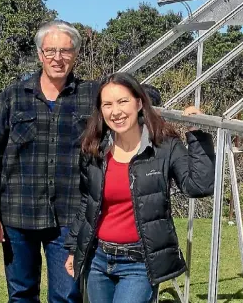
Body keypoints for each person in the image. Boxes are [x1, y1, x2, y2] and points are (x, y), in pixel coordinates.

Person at [63, 72, 216, 303]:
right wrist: (74, 247)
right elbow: (87, 202)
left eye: (123, 101)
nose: (116, 112)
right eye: (107, 104)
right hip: (98, 259)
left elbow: (199, 186)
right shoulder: (94, 148)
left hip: (139, 262)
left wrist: (198, 135)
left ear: (139, 102)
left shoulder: (163, 147)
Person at [0, 20, 98, 303]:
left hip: (69, 217)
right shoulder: (12, 97)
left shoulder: (92, 96)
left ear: (76, 55)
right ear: (39, 54)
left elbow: (133, 97)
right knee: (21, 294)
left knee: (67, 295)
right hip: (18, 215)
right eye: (51, 51)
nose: (58, 58)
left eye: (65, 51)